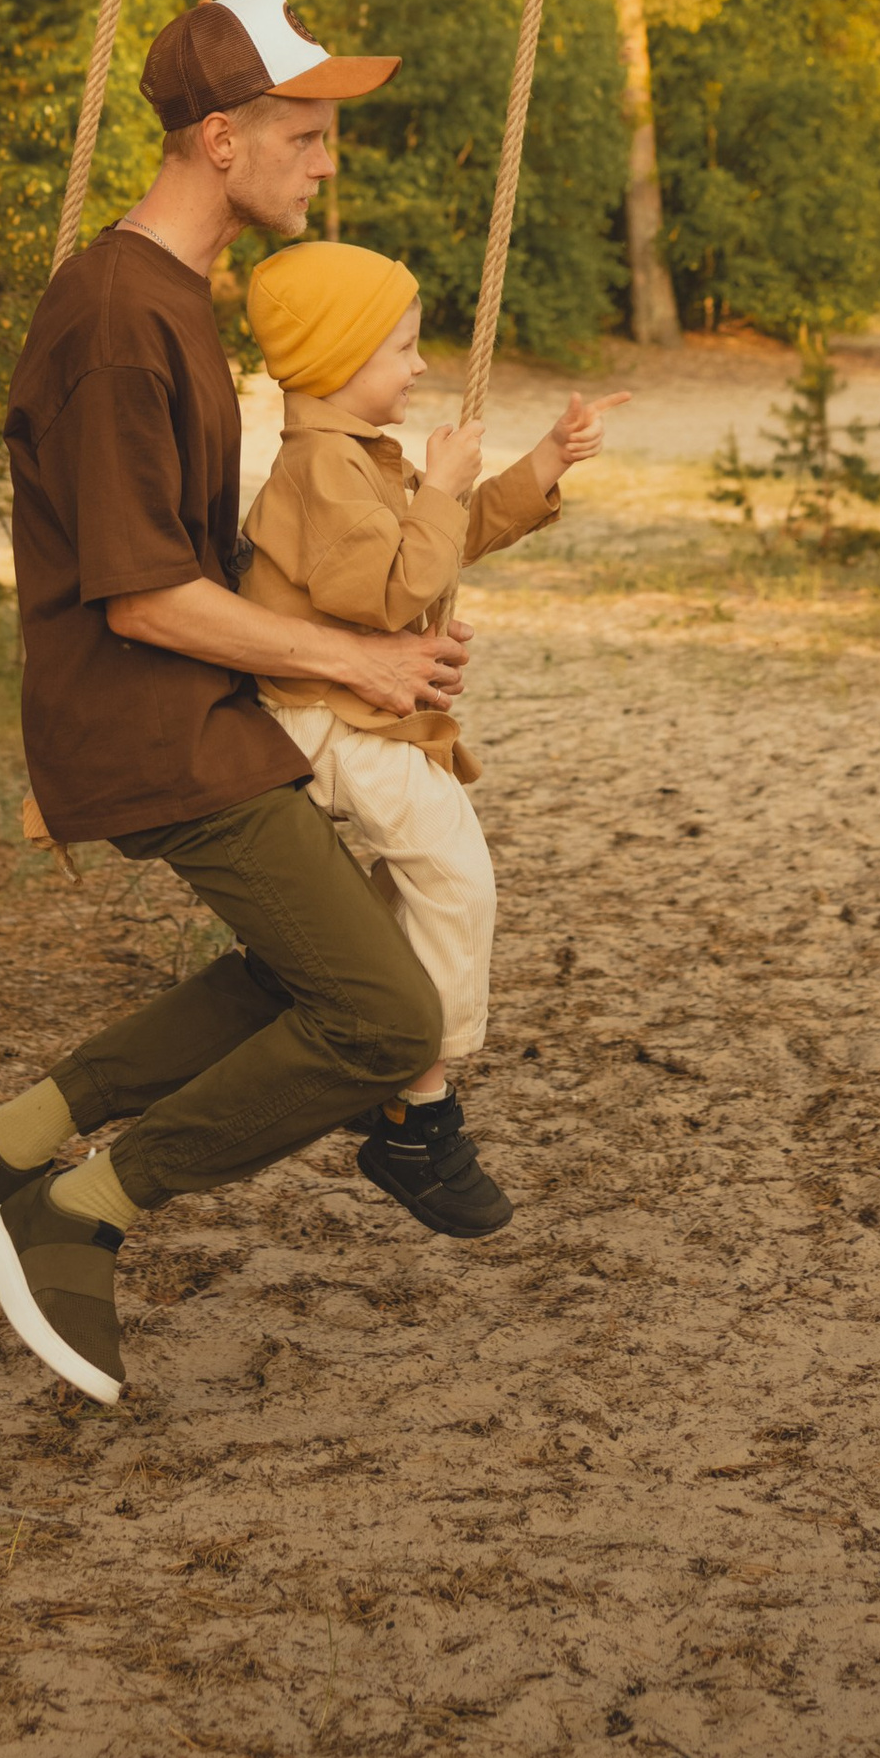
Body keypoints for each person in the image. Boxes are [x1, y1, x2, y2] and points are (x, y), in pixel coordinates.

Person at [0, 0, 469, 1409]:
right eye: (303, 135)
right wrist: (359, 665)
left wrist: (370, 625)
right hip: (155, 718)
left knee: (309, 966)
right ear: (220, 140)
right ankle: (73, 1213)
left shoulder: (172, 298)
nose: (324, 162)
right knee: (386, 1022)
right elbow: (141, 595)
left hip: (201, 708)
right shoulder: (115, 315)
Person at [239, 242, 622, 1237]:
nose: (419, 365)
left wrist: (544, 461)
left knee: (414, 886)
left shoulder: (355, 455)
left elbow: (442, 546)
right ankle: (418, 1109)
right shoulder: (321, 467)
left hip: (350, 714)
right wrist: (443, 486)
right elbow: (394, 589)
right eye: (401, 348)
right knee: (454, 874)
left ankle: (372, 1042)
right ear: (337, 358)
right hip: (324, 720)